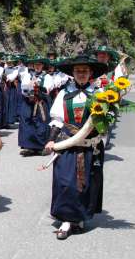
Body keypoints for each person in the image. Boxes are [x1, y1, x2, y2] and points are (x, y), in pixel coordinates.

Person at [44, 54, 108, 239]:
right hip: (67, 143)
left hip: (89, 145)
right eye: (78, 71)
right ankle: (65, 220)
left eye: (85, 71)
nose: (81, 74)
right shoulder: (64, 93)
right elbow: (57, 120)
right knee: (65, 182)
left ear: (91, 74)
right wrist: (51, 140)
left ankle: (79, 218)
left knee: (85, 184)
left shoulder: (99, 95)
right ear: (72, 73)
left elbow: (104, 123)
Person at [18, 57, 54, 156]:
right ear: (33, 66)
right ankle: (29, 147)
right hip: (28, 101)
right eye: (35, 65)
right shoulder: (27, 75)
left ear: (43, 66)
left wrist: (38, 87)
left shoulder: (47, 77)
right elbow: (23, 88)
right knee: (27, 122)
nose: (37, 66)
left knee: (41, 123)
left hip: (41, 102)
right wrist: (28, 92)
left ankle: (42, 147)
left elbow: (47, 89)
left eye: (39, 65)